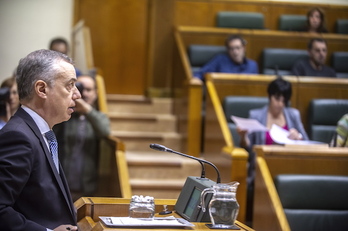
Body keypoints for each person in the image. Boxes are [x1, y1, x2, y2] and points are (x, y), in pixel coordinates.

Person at [0, 49, 81, 231]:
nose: (77, 95)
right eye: (69, 85)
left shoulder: (41, 132)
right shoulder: (19, 137)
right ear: (42, 89)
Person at [237, 77, 308, 222]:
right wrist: (244, 137)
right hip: (262, 170)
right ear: (269, 97)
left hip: (289, 168)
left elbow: (307, 143)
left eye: (284, 100)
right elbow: (249, 151)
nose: (280, 104)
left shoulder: (293, 115)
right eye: (277, 99)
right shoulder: (256, 116)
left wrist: (298, 137)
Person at [54, 75, 110, 201]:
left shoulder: (98, 117)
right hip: (60, 185)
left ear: (96, 93)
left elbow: (105, 131)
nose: (84, 93)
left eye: (88, 90)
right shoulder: (65, 116)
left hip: (87, 187)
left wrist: (87, 110)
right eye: (80, 89)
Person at [194, 35, 259, 80]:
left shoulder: (252, 65)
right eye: (231, 49)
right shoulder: (220, 60)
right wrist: (196, 79)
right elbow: (200, 74)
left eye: (238, 48)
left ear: (244, 48)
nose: (235, 52)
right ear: (228, 50)